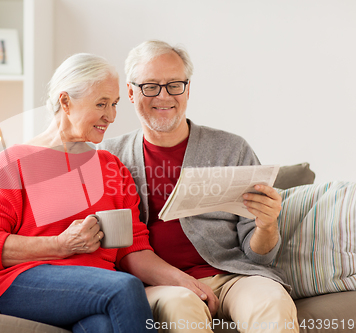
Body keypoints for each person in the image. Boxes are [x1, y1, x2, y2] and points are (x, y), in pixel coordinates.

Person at [97, 40, 299, 333]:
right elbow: (114, 248)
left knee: (271, 303)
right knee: (182, 307)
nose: (164, 96)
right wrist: (181, 282)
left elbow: (259, 256)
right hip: (158, 284)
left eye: (175, 85)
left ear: (188, 89)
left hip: (233, 275)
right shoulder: (109, 155)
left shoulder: (231, 149)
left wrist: (267, 225)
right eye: (150, 86)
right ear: (130, 92)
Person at [0, 53, 157, 333]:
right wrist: (61, 245)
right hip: (25, 282)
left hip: (96, 288)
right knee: (125, 286)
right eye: (101, 104)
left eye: (114, 104)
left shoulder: (112, 168)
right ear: (65, 102)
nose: (111, 116)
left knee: (102, 327)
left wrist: (188, 283)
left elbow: (135, 249)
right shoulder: (16, 161)